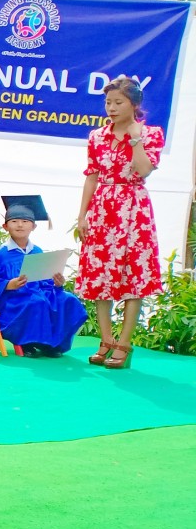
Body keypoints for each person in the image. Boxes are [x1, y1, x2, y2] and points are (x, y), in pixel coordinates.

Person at [76, 77, 164, 369]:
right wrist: (83, 214)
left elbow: (144, 170)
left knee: (132, 277)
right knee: (100, 275)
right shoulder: (97, 136)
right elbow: (91, 175)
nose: (111, 108)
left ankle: (124, 344)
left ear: (134, 105)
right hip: (103, 207)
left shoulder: (151, 134)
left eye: (118, 102)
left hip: (133, 209)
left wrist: (136, 138)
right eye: (108, 103)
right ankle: (105, 340)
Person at [0, 196, 87, 357]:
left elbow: (44, 282)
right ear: (5, 226)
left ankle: (52, 344)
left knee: (67, 299)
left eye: (25, 221)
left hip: (38, 293)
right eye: (14, 221)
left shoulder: (37, 251)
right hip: (11, 300)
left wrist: (57, 283)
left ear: (34, 226)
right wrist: (9, 285)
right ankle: (28, 342)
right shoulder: (1, 255)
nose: (20, 225)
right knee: (36, 301)